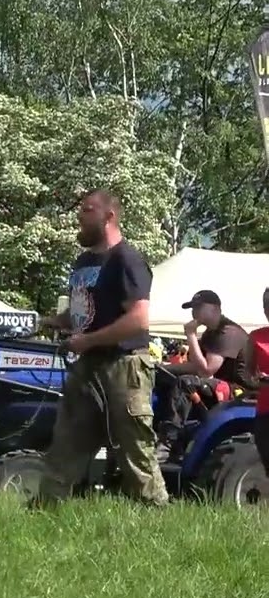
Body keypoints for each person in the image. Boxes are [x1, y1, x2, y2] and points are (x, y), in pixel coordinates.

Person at [32, 189, 168, 507]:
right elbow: (83, 314)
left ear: (109, 216)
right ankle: (44, 511)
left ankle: (157, 514)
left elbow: (138, 319)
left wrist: (89, 340)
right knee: (66, 442)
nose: (80, 216)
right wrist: (52, 321)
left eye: (88, 210)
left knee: (134, 446)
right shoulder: (83, 262)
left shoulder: (127, 260)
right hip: (88, 365)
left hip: (125, 366)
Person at [153, 290, 253, 455]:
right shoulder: (210, 333)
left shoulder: (228, 332)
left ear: (215, 308)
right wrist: (162, 368)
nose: (194, 311)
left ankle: (169, 442)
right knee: (164, 378)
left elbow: (206, 370)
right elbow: (195, 365)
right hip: (221, 385)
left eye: (198, 307)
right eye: (193, 308)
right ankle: (158, 429)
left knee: (186, 383)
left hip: (240, 391)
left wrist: (191, 335)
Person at [244, 288, 269, 474]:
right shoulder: (256, 337)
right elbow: (249, 373)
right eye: (267, 305)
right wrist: (256, 380)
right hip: (265, 410)